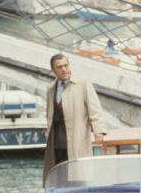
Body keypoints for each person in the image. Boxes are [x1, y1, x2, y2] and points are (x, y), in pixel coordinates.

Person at [43, 54, 106, 183]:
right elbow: (50, 113)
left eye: (66, 65)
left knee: (78, 172)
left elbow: (94, 108)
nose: (64, 69)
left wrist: (98, 130)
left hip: (76, 135)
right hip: (56, 137)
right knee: (58, 169)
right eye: (59, 67)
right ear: (53, 70)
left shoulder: (82, 83)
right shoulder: (50, 88)